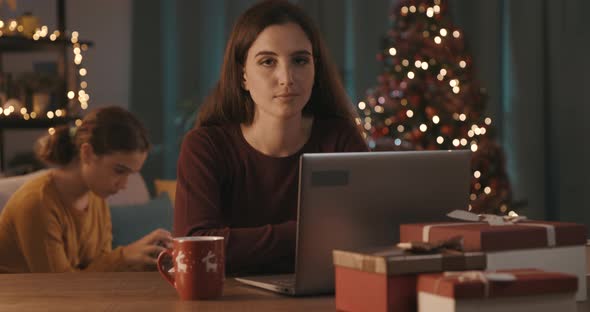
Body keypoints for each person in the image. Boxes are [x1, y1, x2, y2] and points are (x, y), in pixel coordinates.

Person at [174, 0, 368, 275]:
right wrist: (310, 233)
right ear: (242, 76)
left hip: (323, 297)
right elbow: (195, 249)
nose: (286, 77)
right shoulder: (205, 146)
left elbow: (366, 232)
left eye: (300, 60)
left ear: (315, 69)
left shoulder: (339, 138)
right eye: (268, 61)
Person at [0, 106, 172, 273]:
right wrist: (124, 256)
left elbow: (101, 268)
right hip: (22, 300)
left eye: (130, 174)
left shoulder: (96, 198)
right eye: (119, 171)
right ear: (87, 153)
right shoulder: (37, 203)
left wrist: (144, 260)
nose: (124, 185)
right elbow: (58, 289)